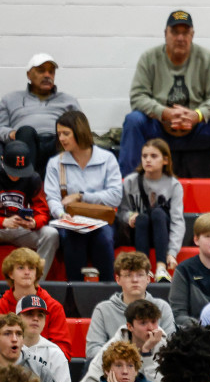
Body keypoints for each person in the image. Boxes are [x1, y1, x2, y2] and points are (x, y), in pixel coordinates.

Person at [120, 10, 210, 179]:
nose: (180, 38)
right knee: (133, 120)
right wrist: (164, 113)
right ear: (165, 34)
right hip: (159, 127)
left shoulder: (207, 59)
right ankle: (129, 189)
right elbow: (138, 96)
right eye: (175, 32)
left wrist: (197, 115)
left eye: (185, 33)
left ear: (192, 35)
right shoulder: (149, 58)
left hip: (196, 128)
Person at [44, 110, 121, 281]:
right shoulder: (56, 163)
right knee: (74, 241)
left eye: (66, 133)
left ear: (80, 131)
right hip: (70, 221)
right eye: (59, 134)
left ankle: (109, 293)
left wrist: (81, 196)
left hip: (101, 220)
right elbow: (52, 198)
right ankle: (73, 295)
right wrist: (62, 215)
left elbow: (115, 196)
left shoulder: (107, 159)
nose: (61, 139)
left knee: (103, 240)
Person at [85, 250, 176, 361]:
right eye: (128, 275)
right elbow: (92, 350)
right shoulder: (103, 310)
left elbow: (171, 347)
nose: (134, 280)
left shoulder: (162, 307)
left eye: (140, 275)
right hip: (114, 370)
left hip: (152, 368)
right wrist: (126, 360)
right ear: (118, 279)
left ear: (148, 278)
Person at [0, 53, 80, 176]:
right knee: (26, 132)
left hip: (57, 142)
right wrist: (11, 134)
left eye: (51, 72)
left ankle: (60, 188)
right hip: (25, 142)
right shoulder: (10, 99)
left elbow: (81, 129)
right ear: (29, 74)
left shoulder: (68, 100)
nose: (47, 75)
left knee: (65, 136)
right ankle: (27, 186)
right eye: (41, 71)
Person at [77, 299, 167, 382]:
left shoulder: (164, 346)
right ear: (129, 326)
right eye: (143, 323)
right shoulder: (113, 347)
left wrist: (146, 354)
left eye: (154, 322)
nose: (151, 328)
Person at [117, 139, 184, 280]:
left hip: (162, 233)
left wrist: (172, 252)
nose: (148, 160)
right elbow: (121, 211)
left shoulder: (173, 185)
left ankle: (161, 268)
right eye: (144, 156)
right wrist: (129, 217)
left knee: (158, 213)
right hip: (138, 231)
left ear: (165, 160)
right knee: (142, 218)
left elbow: (177, 220)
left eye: (153, 156)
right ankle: (143, 268)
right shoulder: (130, 181)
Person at [0, 139, 59, 269]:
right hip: (1, 227)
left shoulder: (33, 178)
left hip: (21, 229)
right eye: (12, 171)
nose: (16, 177)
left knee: (51, 234)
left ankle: (36, 283)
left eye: (19, 172)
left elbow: (42, 210)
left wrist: (34, 223)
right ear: (2, 159)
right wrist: (3, 221)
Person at [0, 247, 69, 356]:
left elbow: (63, 350)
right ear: (10, 274)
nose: (27, 272)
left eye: (31, 268)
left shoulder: (53, 307)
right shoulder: (1, 306)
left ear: (37, 274)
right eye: (21, 268)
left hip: (43, 368)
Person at [169, 212, 210, 326]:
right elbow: (178, 314)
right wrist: (202, 328)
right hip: (195, 335)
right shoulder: (184, 270)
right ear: (196, 240)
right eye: (208, 236)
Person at [18, 294, 70, 382]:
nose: (36, 319)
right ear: (18, 318)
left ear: (45, 321)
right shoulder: (7, 350)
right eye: (29, 314)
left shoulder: (55, 353)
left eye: (40, 315)